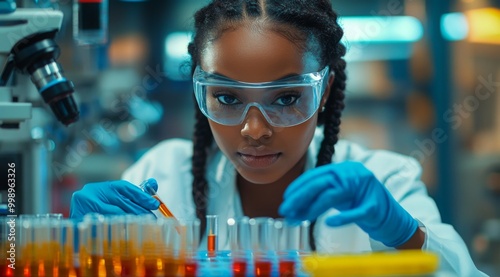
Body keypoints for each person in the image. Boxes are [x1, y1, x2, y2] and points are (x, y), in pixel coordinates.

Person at [70, 0, 486, 275]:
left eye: (287, 97)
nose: (254, 130)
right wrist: (81, 250)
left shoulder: (385, 178)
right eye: (227, 97)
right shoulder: (164, 175)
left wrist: (406, 236)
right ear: (201, 91)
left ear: (323, 91)